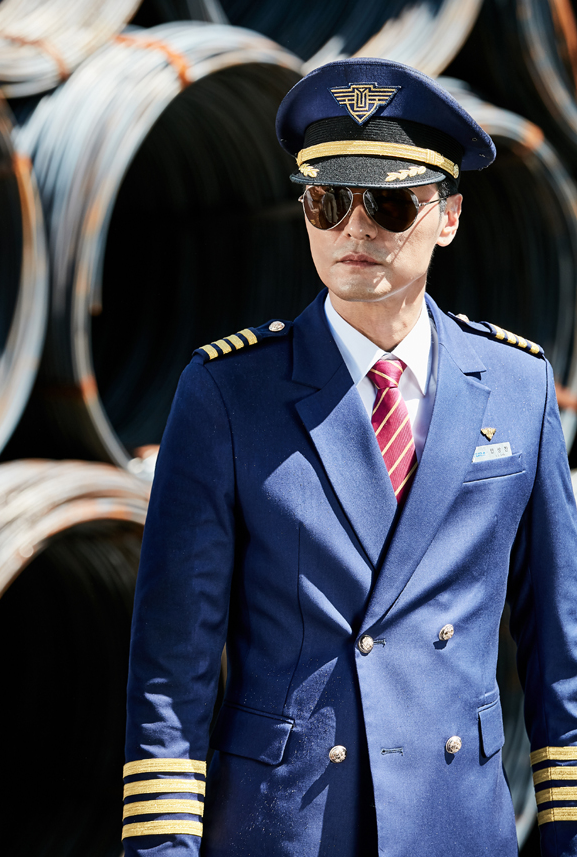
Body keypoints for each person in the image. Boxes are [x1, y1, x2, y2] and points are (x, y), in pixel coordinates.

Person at [122, 58, 577, 857]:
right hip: (285, 828)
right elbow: (173, 668)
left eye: (390, 203)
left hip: (455, 826)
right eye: (328, 202)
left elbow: (561, 653)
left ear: (449, 216)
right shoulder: (227, 394)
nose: (354, 230)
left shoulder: (517, 385)